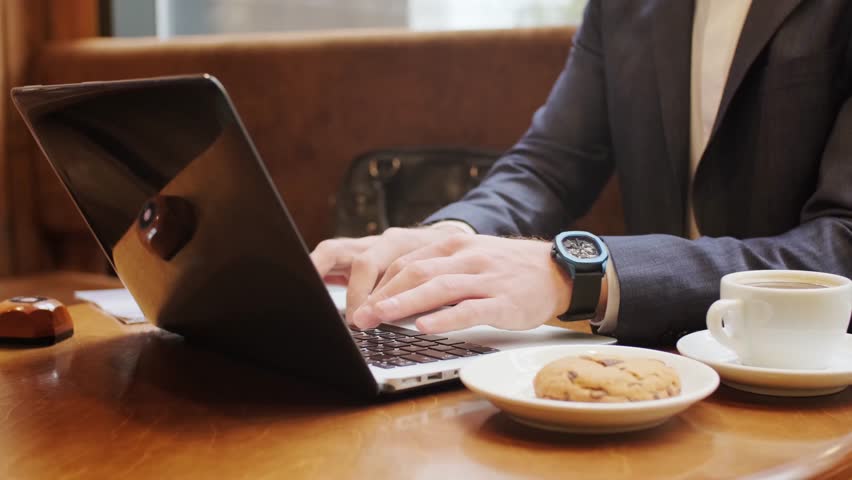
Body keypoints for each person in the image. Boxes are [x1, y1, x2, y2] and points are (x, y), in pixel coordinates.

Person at [310, 0, 852, 346]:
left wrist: (577, 275)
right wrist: (449, 236)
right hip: (654, 370)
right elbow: (548, 165)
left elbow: (842, 242)